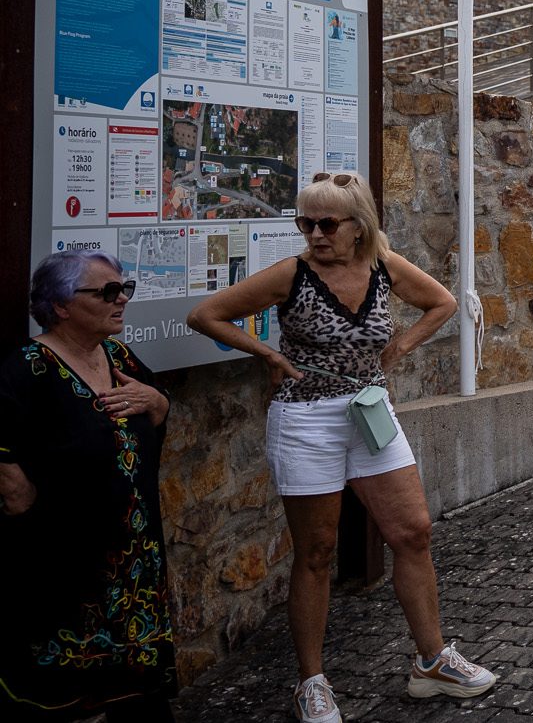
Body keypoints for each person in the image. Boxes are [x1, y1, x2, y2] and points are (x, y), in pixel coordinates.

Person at [187, 172, 495, 723]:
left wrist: (399, 347)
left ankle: (431, 661)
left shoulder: (382, 266)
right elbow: (205, 315)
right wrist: (267, 354)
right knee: (317, 552)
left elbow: (443, 302)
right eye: (305, 223)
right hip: (305, 420)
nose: (315, 234)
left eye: (326, 224)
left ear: (358, 225)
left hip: (369, 413)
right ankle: (312, 681)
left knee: (413, 533)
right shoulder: (292, 274)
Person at [1, 251, 176, 721]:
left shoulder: (117, 355)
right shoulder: (30, 367)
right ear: (61, 305)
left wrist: (156, 402)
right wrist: (15, 488)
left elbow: (157, 406)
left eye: (125, 289)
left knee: (138, 694)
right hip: (68, 560)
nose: (122, 300)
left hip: (134, 559)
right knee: (70, 692)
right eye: (107, 292)